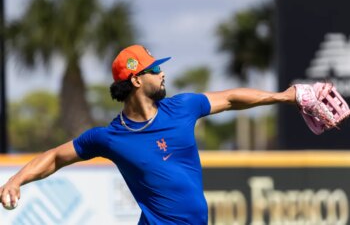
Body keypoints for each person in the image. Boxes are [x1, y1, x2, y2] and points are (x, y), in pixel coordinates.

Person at [0, 44, 296, 224]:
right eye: (155, 69)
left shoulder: (182, 108)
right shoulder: (109, 137)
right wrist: (16, 180)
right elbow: (54, 157)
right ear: (136, 79)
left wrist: (283, 96)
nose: (163, 73)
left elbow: (231, 97)